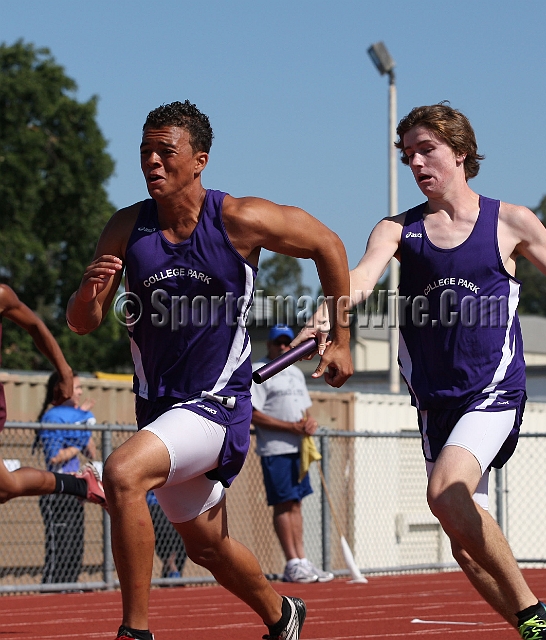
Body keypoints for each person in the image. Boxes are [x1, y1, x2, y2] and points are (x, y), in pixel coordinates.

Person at [298, 103, 546, 639]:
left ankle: (534, 617)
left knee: (444, 491)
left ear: (459, 151)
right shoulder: (399, 230)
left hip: (493, 388)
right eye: (408, 155)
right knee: (466, 548)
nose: (417, 163)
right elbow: (361, 278)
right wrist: (323, 317)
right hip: (435, 401)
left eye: (426, 150)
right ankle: (536, 634)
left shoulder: (511, 221)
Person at [66, 100, 352, 640]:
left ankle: (135, 632)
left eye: (164, 152)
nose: (151, 161)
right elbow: (83, 323)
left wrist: (341, 339)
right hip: (159, 410)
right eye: (145, 151)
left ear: (198, 161)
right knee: (206, 546)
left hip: (217, 406)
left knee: (123, 475)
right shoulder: (126, 227)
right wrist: (87, 293)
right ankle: (282, 615)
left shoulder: (237, 218)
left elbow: (327, 245)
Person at [0, 284, 105, 508]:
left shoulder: (1, 295)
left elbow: (35, 326)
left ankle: (80, 485)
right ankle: (81, 485)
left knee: (4, 488)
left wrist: (65, 372)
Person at [251, 324, 334, 584]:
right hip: (276, 449)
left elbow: (304, 410)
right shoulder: (259, 371)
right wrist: (291, 427)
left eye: (288, 343)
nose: (284, 347)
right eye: (279, 343)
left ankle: (302, 560)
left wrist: (309, 423)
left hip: (299, 449)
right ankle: (292, 561)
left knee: (296, 503)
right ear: (270, 345)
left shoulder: (297, 373)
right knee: (284, 504)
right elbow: (253, 414)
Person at [36, 371, 98, 585]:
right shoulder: (53, 417)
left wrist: (84, 421)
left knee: (75, 544)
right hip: (57, 487)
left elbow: (92, 453)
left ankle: (70, 585)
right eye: (76, 387)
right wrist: (78, 441)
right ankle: (53, 586)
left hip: (76, 489)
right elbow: (54, 457)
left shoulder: (78, 414)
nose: (80, 392)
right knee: (60, 545)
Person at [146, 490, 187, 580]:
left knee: (181, 542)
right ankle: (172, 571)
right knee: (165, 538)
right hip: (155, 503)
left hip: (177, 503)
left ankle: (172, 575)